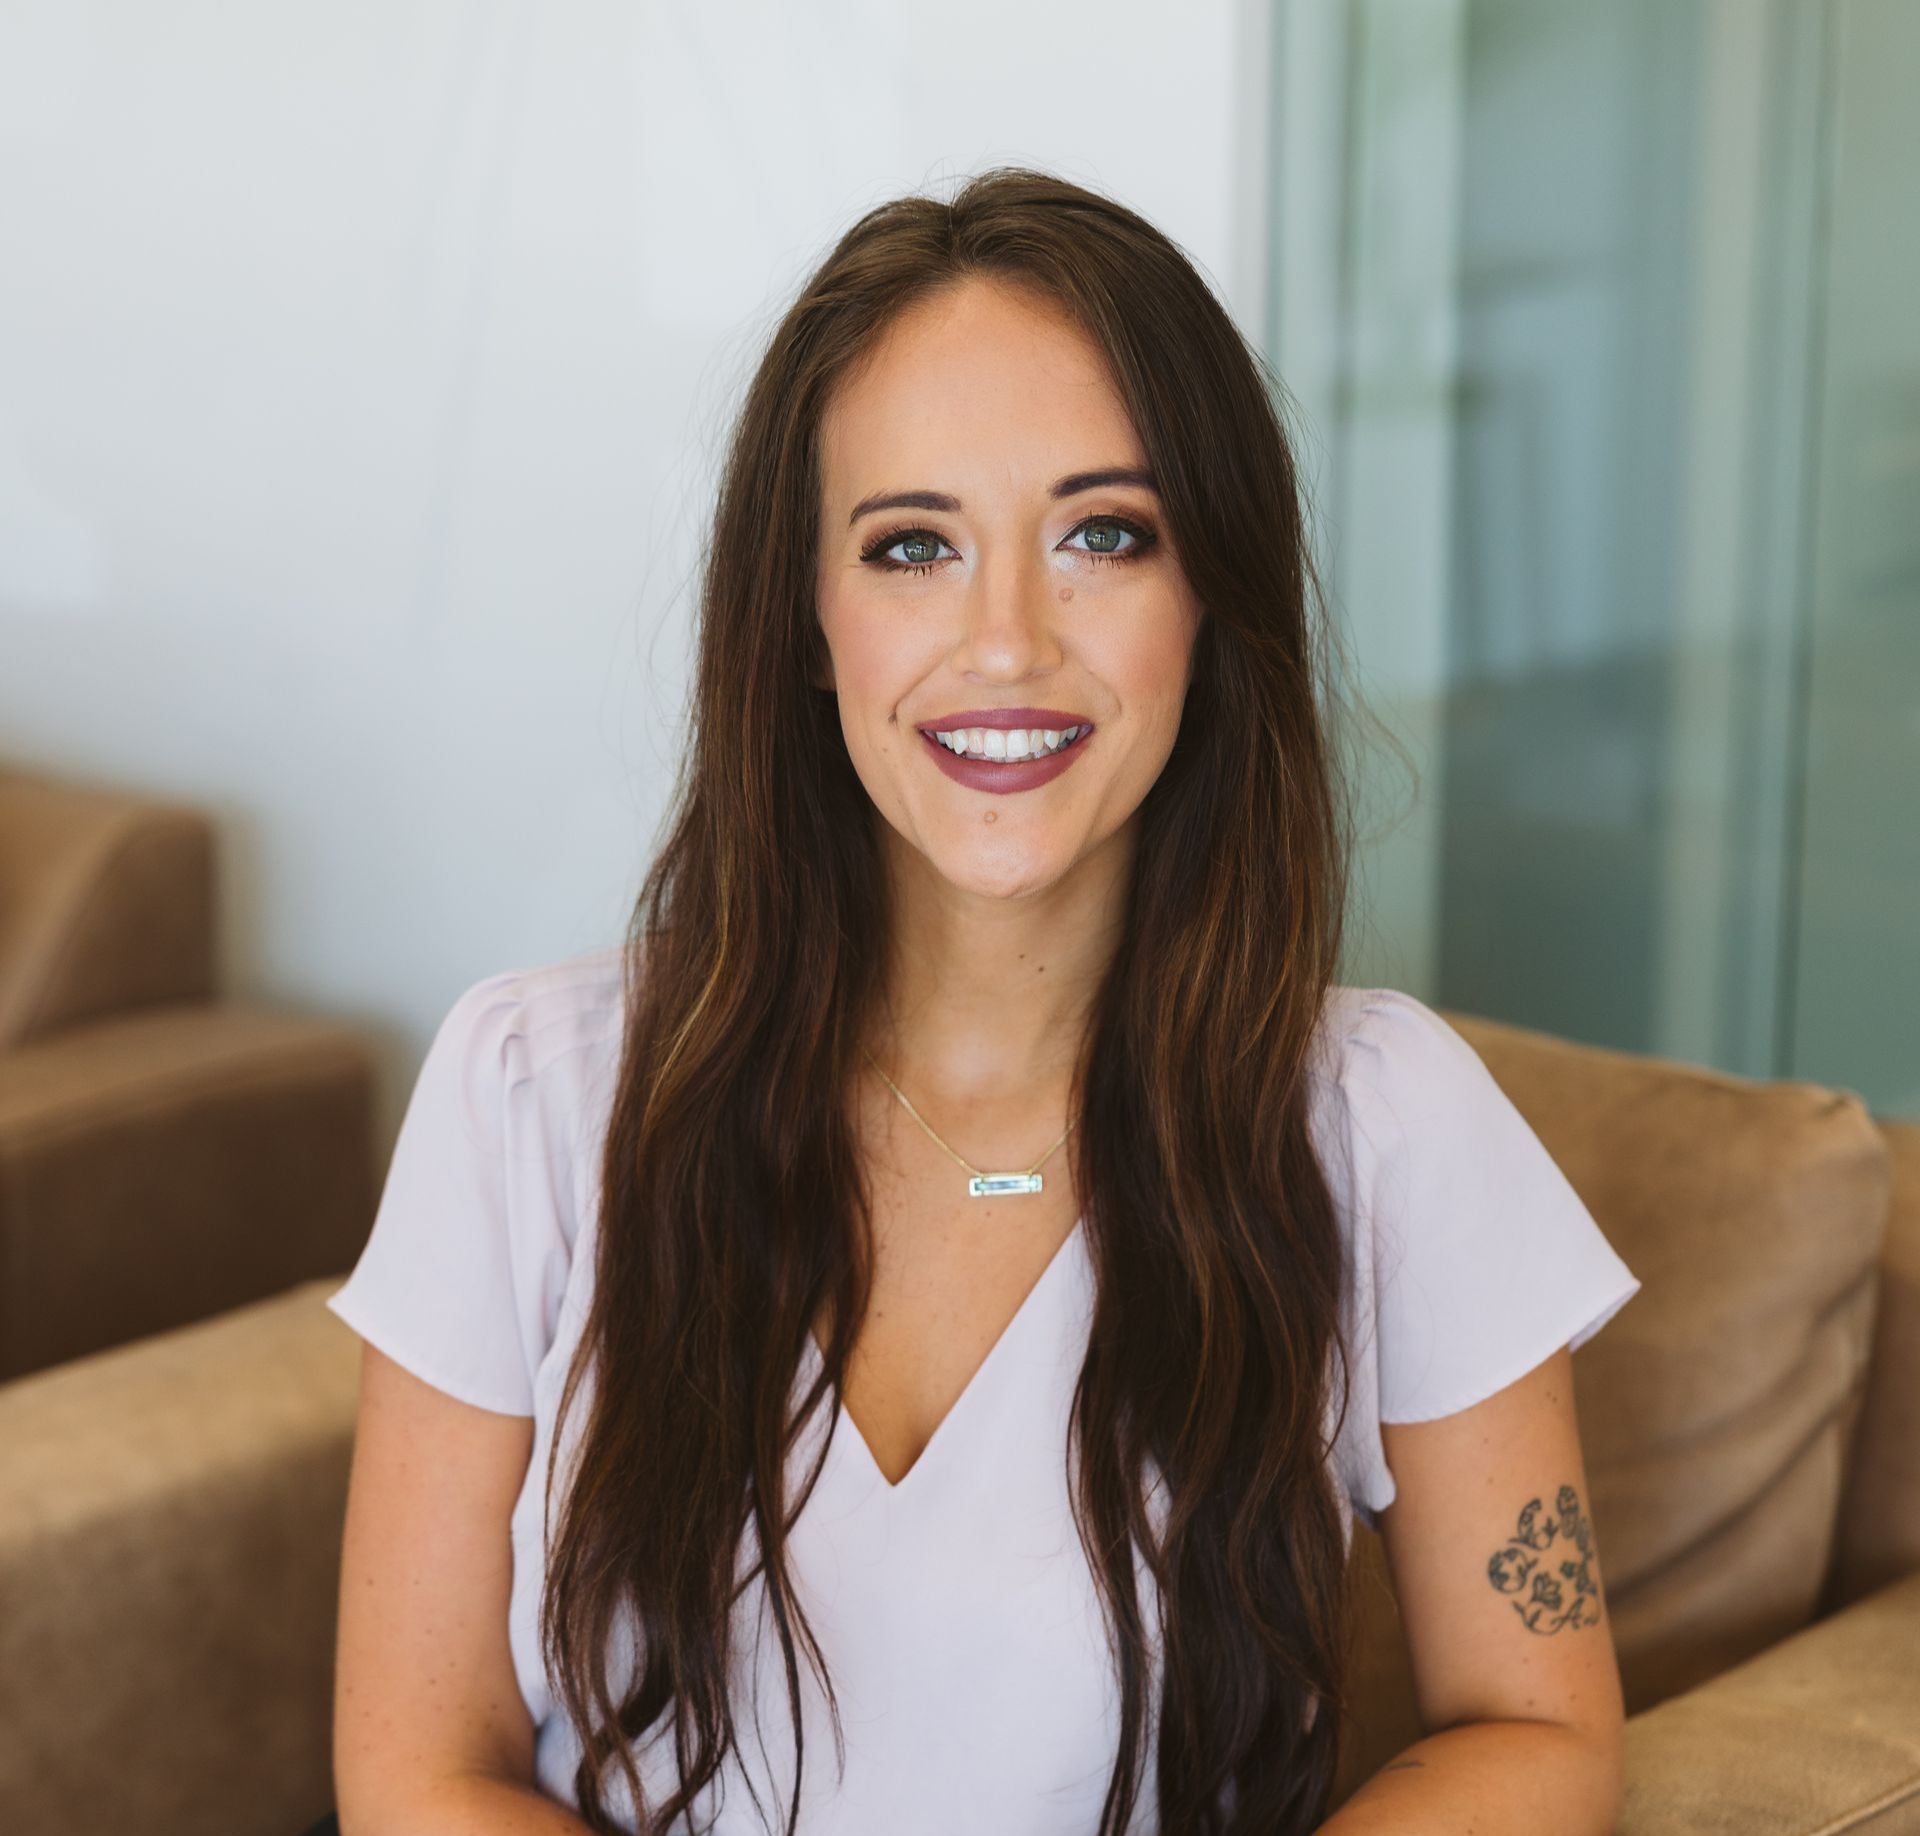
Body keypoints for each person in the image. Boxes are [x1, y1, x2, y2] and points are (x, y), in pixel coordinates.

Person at [321, 167, 1642, 1836]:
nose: (1006, 640)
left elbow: (1542, 1733)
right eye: (913, 546)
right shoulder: (527, 1091)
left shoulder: (1386, 1122)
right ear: (809, 620)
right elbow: (418, 1772)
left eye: (1103, 534)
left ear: (1207, 600)